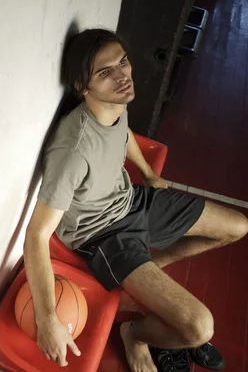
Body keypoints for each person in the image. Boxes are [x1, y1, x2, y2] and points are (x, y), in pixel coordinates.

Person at [24, 28, 248, 372]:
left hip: (133, 201)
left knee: (237, 226)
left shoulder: (115, 102)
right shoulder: (72, 150)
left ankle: (149, 274)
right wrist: (46, 319)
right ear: (82, 87)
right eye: (105, 72)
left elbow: (123, 132)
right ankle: (135, 334)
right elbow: (37, 236)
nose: (122, 76)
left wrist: (147, 172)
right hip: (104, 236)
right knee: (199, 328)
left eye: (123, 62)